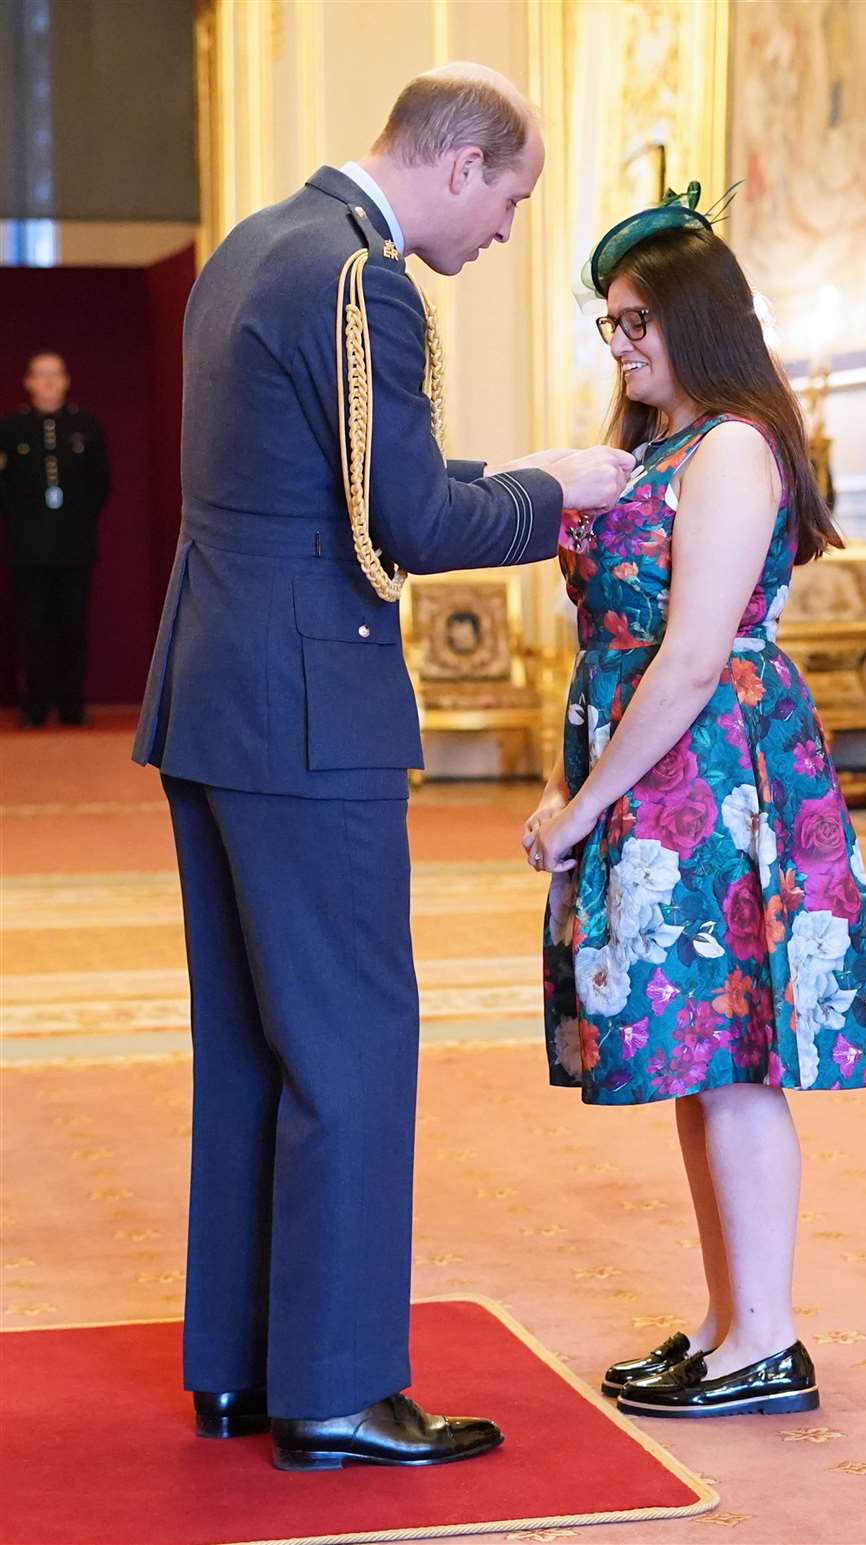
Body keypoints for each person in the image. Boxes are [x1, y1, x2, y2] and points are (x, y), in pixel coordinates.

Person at [132, 63, 634, 1472]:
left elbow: (331, 478)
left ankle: (239, 1369)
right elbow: (405, 517)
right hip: (309, 709)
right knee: (352, 1043)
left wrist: (508, 463)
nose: (506, 234)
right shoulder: (367, 283)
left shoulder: (253, 247)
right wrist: (561, 493)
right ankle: (342, 1389)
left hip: (214, 695)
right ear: (461, 164)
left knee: (252, 1044)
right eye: (514, 200)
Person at [524, 186, 866, 1420]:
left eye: (640, 321)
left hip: (716, 775)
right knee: (700, 1059)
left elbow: (688, 657)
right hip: (663, 765)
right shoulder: (655, 446)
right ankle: (732, 1323)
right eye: (610, 324)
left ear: (702, 321)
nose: (621, 345)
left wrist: (582, 803)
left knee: (734, 1062)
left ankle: (768, 1341)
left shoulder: (732, 443)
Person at [0, 352, 110, 726]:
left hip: (74, 546)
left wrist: (75, 523)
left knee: (73, 628)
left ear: (66, 381)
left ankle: (71, 707)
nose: (48, 383)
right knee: (32, 629)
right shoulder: (11, 429)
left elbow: (100, 485)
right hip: (27, 548)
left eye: (55, 375)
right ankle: (34, 708)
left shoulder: (87, 426)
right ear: (28, 382)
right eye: (40, 375)